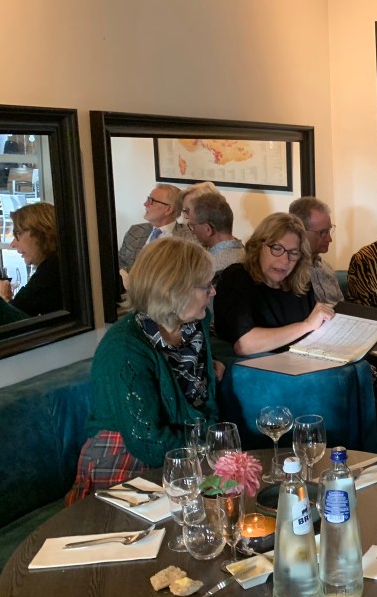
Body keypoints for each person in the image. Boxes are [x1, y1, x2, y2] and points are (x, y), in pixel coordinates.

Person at [67, 238, 221, 503]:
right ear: (174, 290)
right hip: (125, 459)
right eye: (205, 286)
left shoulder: (195, 326)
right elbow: (147, 442)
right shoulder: (124, 347)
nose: (213, 291)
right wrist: (210, 447)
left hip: (185, 453)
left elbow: (200, 400)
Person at [213, 212, 335, 356]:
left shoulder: (301, 283)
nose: (285, 260)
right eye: (277, 248)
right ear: (258, 247)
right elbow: (244, 344)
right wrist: (306, 325)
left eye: (293, 252)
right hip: (252, 366)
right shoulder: (236, 278)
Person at [0, 202, 62, 316]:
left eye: (17, 234)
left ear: (40, 233)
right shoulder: (61, 263)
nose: (12, 244)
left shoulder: (48, 272)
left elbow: (13, 318)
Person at [117, 184, 196, 272]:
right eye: (148, 199)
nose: (145, 204)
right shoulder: (135, 231)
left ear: (168, 209)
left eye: (151, 201)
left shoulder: (190, 239)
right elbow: (120, 262)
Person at [289, 197, 343, 304]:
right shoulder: (289, 272)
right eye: (323, 232)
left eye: (329, 230)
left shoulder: (326, 268)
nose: (329, 239)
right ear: (300, 231)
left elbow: (342, 306)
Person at [185, 188, 245, 275]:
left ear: (208, 229)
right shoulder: (247, 256)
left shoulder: (209, 268)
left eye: (193, 226)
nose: (193, 231)